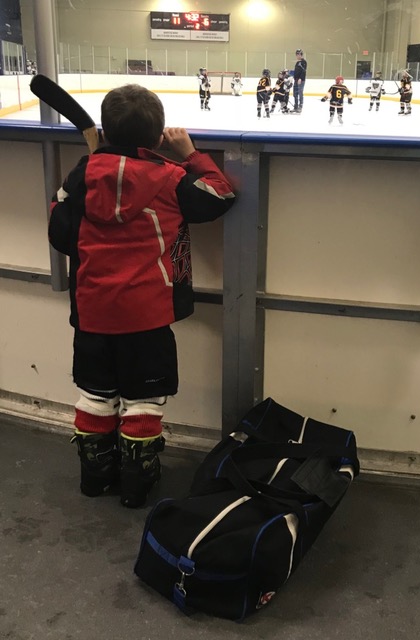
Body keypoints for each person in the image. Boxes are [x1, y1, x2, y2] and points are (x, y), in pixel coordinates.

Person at [48, 84, 236, 508]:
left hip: (92, 313)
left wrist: (67, 188)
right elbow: (220, 193)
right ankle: (137, 483)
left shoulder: (83, 175)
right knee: (143, 400)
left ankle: (95, 477)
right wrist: (189, 154)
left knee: (96, 395)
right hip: (148, 316)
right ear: (155, 139)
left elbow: (60, 232)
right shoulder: (171, 179)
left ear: (108, 134)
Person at [291, 48, 307, 113]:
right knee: (295, 93)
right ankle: (296, 107)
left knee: (300, 93)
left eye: (298, 54)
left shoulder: (304, 62)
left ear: (301, 54)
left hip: (301, 80)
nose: (297, 56)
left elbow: (303, 71)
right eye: (296, 54)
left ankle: (300, 106)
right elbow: (296, 72)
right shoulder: (297, 63)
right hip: (296, 80)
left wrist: (300, 78)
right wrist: (289, 72)